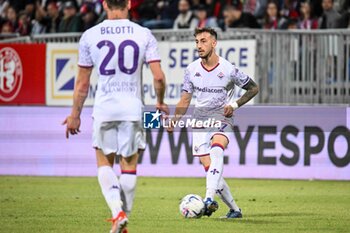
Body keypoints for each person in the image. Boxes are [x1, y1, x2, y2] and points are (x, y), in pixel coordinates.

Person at [63, 0, 168, 232]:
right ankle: (123, 217)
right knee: (129, 166)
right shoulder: (144, 33)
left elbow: (82, 84)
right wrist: (160, 101)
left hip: (104, 108)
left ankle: (116, 214)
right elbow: (158, 77)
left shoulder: (90, 35)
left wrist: (74, 115)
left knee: (104, 164)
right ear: (129, 4)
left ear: (104, 4)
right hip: (132, 108)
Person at [167, 27, 259, 218]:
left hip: (222, 117)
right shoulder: (191, 70)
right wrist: (174, 120)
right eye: (197, 42)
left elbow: (253, 88)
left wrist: (234, 104)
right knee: (211, 171)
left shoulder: (228, 69)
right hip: (200, 121)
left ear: (214, 43)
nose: (199, 46)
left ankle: (208, 199)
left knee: (217, 148)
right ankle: (235, 210)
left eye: (203, 41)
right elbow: (185, 100)